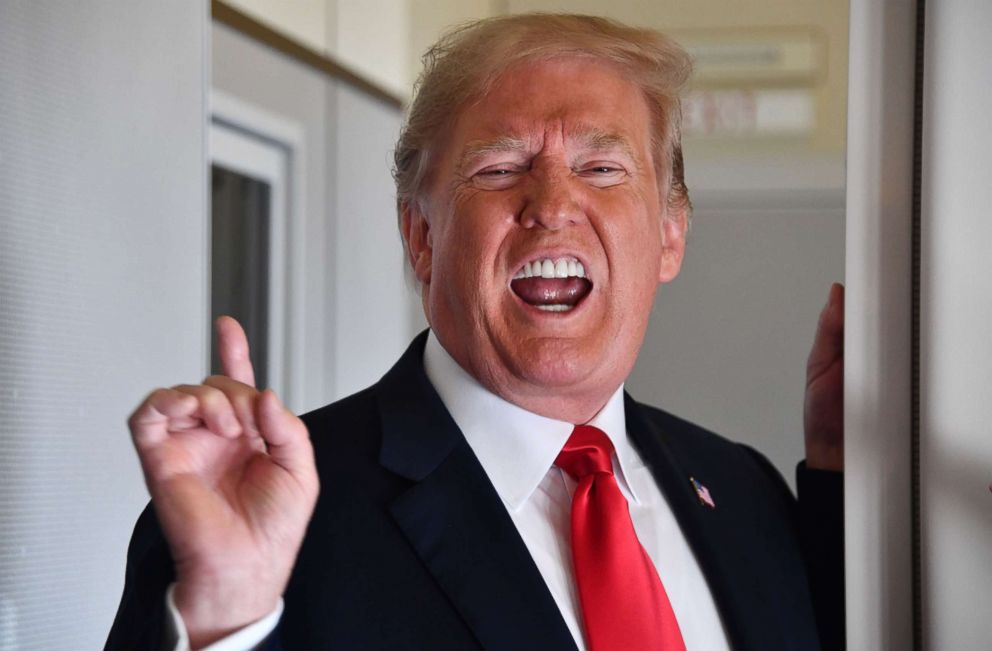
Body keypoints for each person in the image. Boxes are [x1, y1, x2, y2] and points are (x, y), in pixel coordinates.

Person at [106, 14, 844, 651]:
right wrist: (224, 620)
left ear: (671, 233)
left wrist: (860, 470)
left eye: (602, 166)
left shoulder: (748, 495)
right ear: (420, 235)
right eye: (498, 168)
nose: (552, 204)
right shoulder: (273, 515)